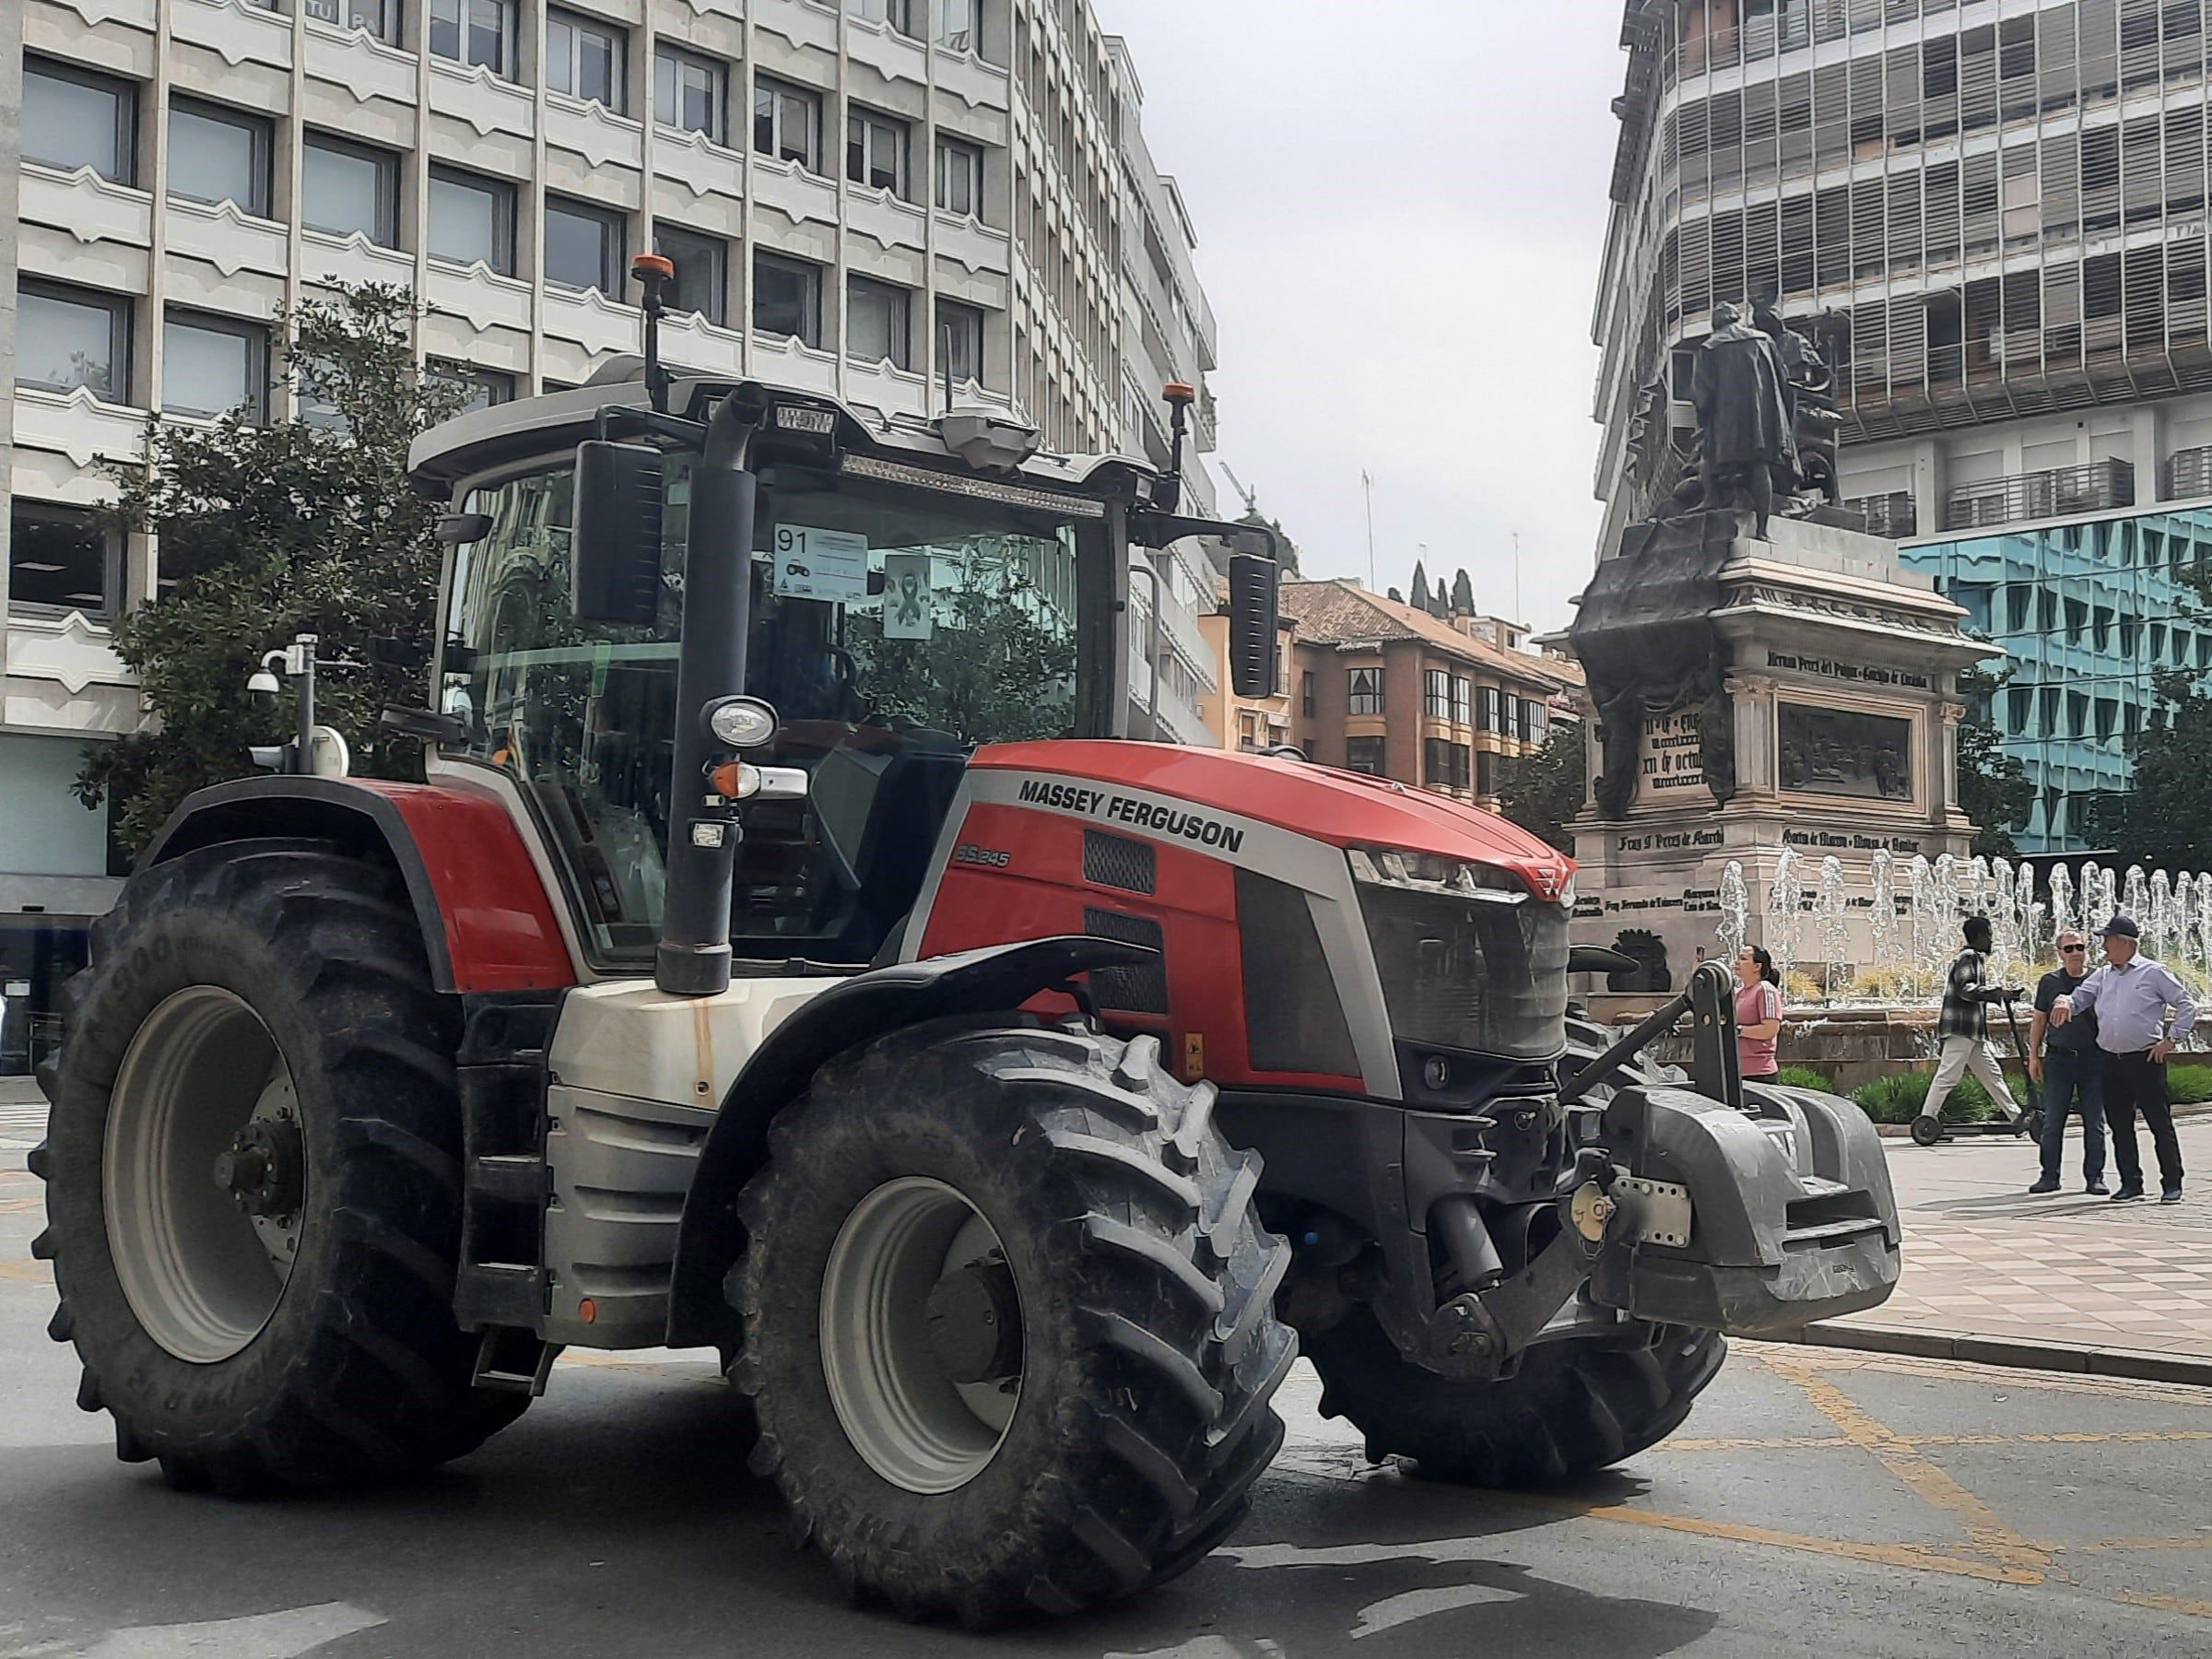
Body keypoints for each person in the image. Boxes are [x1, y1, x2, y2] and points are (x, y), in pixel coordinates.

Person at [2051, 914, 2192, 1204]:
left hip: (2144, 1059)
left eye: (2108, 940)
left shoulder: (2153, 972)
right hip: (2110, 1060)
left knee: (2159, 1122)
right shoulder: (2102, 975)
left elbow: (2185, 1003)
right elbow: (2079, 997)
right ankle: (2131, 1183)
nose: (2103, 946)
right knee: (2119, 1124)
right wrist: (2064, 1001)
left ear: (2124, 943)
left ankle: (2172, 1183)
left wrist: (2171, 1040)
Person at [1917, 915, 2026, 1140]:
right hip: (1961, 1029)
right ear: (1979, 936)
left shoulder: (1972, 958)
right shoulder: (1969, 958)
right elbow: (1965, 989)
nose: (1991, 940)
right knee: (1948, 1076)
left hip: (1973, 1032)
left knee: (1992, 1075)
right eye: (1989, 934)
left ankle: (2017, 1117)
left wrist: (1999, 993)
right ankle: (1926, 1120)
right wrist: (1995, 993)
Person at [2027, 930, 2107, 1195]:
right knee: (2053, 1121)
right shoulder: (2049, 982)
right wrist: (2033, 1056)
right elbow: (2039, 1020)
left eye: (2080, 947)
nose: (2075, 953)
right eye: (2069, 949)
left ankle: (2095, 1177)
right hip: (2059, 1058)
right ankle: (2049, 1176)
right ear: (2059, 953)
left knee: (2094, 1122)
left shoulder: (2100, 978)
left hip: (2093, 1058)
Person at [1734, 945, 1783, 1083]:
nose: (1736, 962)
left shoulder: (1765, 990)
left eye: (1743, 959)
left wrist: (1737, 1030)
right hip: (1738, 1071)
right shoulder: (1739, 993)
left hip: (1759, 1074)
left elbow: (1769, 1029)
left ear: (1757, 966)